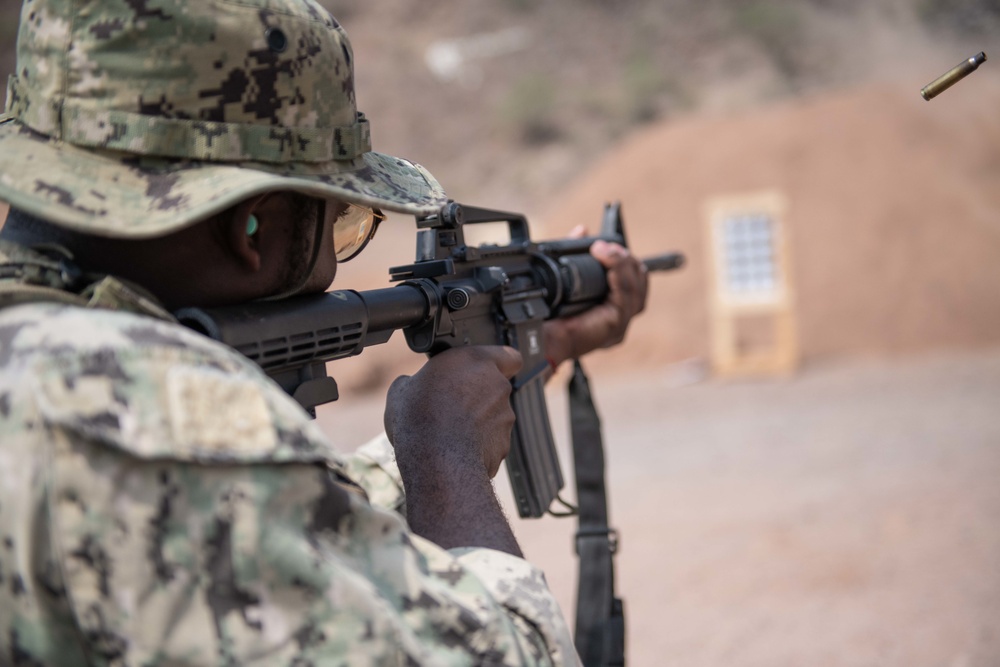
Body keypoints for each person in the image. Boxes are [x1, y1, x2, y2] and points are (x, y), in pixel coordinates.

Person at [0, 0, 648, 664]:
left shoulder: (57, 377)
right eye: (342, 223)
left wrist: (534, 352)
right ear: (252, 229)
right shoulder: (156, 419)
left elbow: (279, 535)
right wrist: (446, 459)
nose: (339, 258)